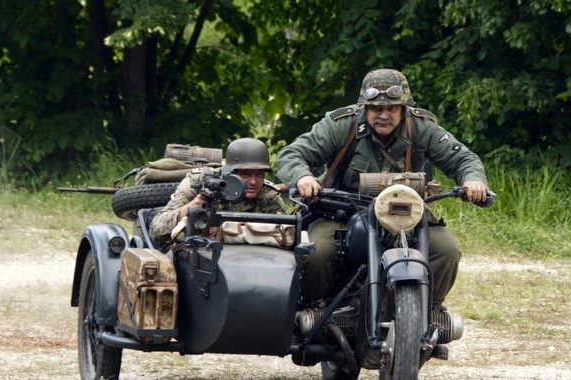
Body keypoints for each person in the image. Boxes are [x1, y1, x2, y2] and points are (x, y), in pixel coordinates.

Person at [276, 68, 489, 308]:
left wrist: (473, 180)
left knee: (446, 251)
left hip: (405, 214)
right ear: (365, 108)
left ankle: (429, 311)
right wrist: (303, 177)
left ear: (404, 108)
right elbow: (292, 154)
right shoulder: (342, 124)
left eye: (392, 108)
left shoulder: (420, 126)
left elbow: (463, 159)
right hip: (340, 213)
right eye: (376, 109)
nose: (384, 115)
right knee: (318, 252)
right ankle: (314, 310)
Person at [150, 137, 286, 240]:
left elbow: (287, 234)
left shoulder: (269, 195)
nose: (253, 181)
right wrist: (191, 208)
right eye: (245, 174)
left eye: (259, 174)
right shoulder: (200, 181)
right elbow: (155, 228)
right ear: (230, 172)